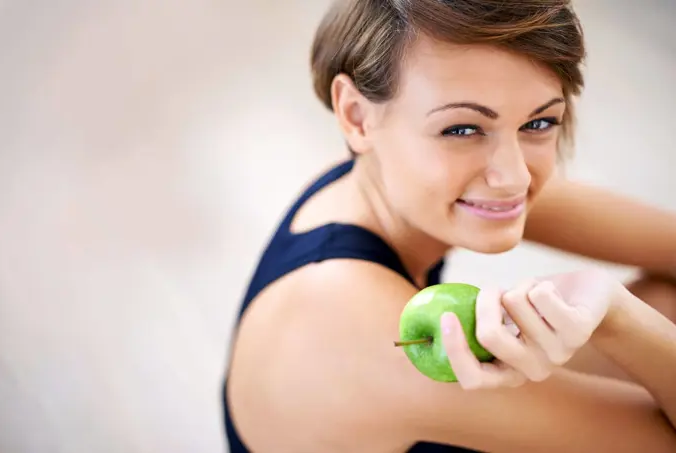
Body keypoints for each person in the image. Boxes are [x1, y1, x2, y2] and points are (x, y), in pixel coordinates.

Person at [221, 0, 676, 451]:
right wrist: (616, 319)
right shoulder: (349, 323)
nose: (514, 176)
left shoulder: (393, 172)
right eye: (462, 130)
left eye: (539, 121)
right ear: (357, 116)